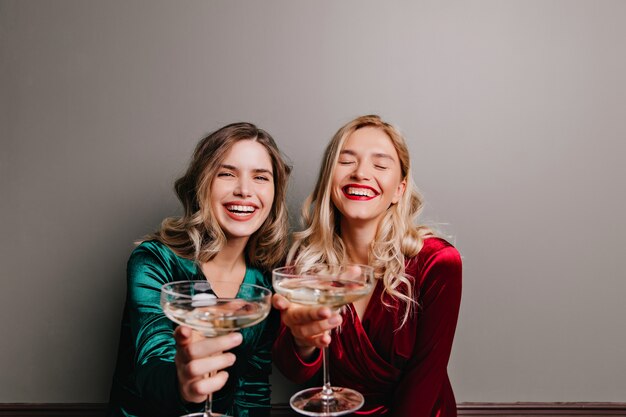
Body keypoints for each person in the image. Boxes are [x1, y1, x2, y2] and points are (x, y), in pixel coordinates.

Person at [272, 115, 462, 416]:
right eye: (346, 161)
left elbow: (425, 379)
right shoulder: (302, 263)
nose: (361, 173)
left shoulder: (437, 262)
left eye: (380, 165)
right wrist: (302, 340)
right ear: (328, 180)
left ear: (399, 189)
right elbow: (294, 373)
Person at [108, 122, 291, 417]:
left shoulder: (265, 280)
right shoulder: (154, 261)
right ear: (202, 184)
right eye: (227, 174)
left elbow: (253, 387)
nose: (245, 190)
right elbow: (151, 363)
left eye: (261, 177)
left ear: (275, 193)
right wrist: (183, 383)